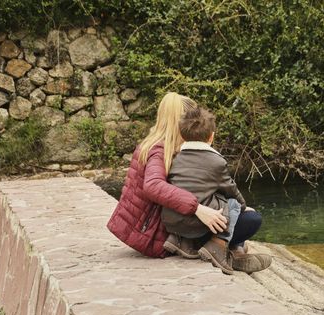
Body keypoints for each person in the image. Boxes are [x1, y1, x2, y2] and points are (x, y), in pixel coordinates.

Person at [107, 92, 270, 274]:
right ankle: (229, 250)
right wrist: (198, 209)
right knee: (250, 220)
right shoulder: (159, 150)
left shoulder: (155, 145)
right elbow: (153, 185)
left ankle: (235, 252)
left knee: (232, 212)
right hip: (158, 237)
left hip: (156, 229)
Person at [161, 107, 270, 274]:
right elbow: (231, 190)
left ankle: (184, 242)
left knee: (214, 196)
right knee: (247, 215)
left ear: (182, 136)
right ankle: (219, 246)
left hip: (173, 223)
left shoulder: (175, 158)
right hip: (201, 225)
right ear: (211, 136)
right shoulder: (216, 161)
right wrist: (243, 207)